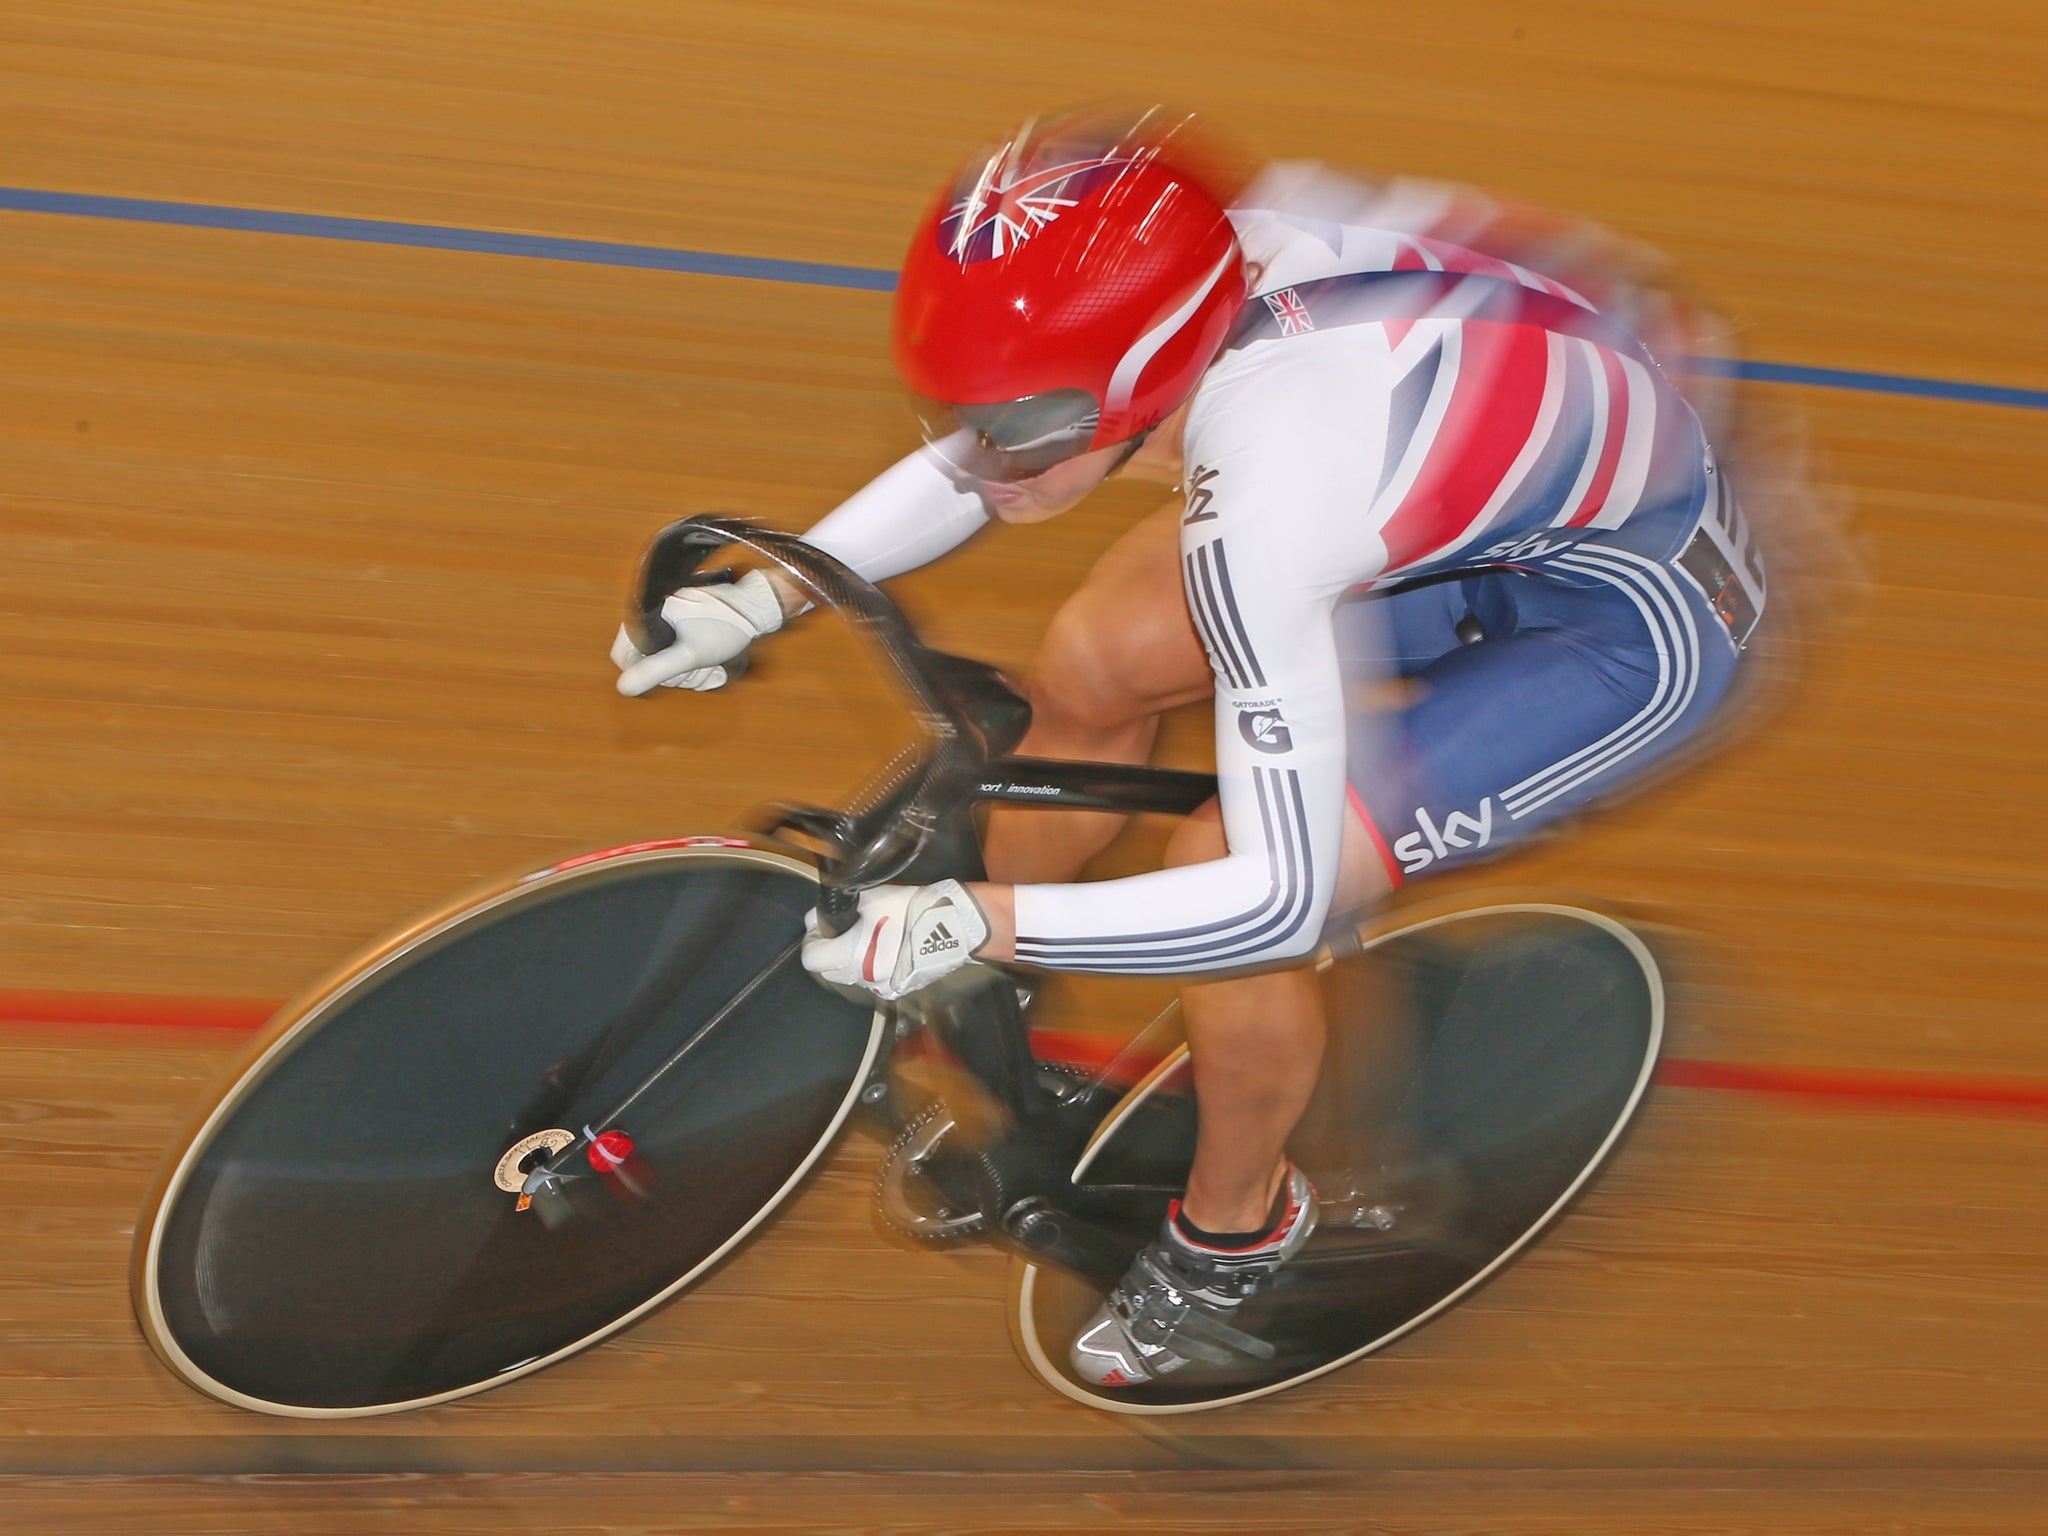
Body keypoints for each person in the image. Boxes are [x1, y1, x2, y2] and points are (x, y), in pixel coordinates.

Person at [611, 109, 1767, 1389]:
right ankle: (987, 987)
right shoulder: (1181, 263)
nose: (981, 452)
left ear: (1149, 375)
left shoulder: (1278, 496)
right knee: (1098, 661)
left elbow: (1262, 900)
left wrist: (979, 917)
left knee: (1233, 864)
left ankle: (1238, 1232)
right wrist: (768, 592)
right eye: (960, 407)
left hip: (1612, 623)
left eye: (1027, 425)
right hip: (1441, 498)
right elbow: (989, 450)